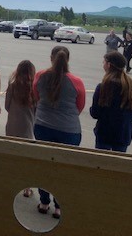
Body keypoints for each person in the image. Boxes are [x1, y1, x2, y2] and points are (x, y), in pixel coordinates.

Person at [33, 45, 85, 219]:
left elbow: (36, 97)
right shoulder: (76, 81)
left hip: (42, 126)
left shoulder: (40, 76)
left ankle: (44, 202)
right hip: (68, 130)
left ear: (51, 58)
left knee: (44, 164)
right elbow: (80, 106)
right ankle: (59, 207)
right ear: (67, 60)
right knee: (64, 168)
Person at [90, 51, 132, 152]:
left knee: (101, 164)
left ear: (109, 65)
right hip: (123, 134)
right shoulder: (131, 87)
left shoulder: (103, 86)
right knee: (118, 164)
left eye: (104, 62)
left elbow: (95, 113)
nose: (103, 64)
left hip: (104, 134)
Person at [5, 60, 37, 140]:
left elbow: (6, 106)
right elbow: (36, 112)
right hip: (27, 127)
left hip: (12, 126)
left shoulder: (12, 86)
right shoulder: (34, 89)